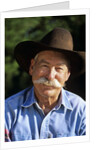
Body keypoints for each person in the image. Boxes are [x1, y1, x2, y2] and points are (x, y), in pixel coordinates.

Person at [5, 27, 86, 142]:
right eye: (45, 66)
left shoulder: (82, 111)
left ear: (67, 75)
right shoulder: (7, 110)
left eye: (59, 69)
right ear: (32, 67)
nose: (50, 76)